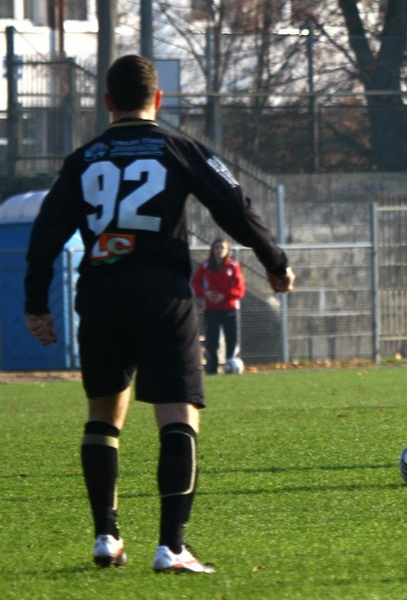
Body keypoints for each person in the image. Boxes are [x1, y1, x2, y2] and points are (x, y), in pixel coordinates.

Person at [23, 55, 295, 572]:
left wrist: (36, 304)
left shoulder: (82, 158)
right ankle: (172, 546)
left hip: (100, 297)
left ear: (107, 102)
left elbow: (45, 234)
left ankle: (106, 536)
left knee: (103, 415)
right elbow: (234, 206)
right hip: (162, 295)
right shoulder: (179, 148)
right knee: (177, 414)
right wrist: (275, 264)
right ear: (159, 100)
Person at [192, 238, 246, 374]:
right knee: (212, 339)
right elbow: (195, 283)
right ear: (213, 250)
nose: (219, 250)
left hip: (229, 308)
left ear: (228, 250)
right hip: (211, 309)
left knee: (231, 338)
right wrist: (206, 294)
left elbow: (240, 288)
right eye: (217, 247)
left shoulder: (233, 266)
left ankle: (231, 364)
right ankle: (212, 367)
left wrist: (225, 295)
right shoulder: (205, 267)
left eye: (222, 247)